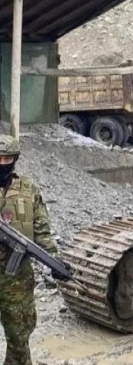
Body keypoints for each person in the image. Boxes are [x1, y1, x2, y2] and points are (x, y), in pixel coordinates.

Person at [0, 134, 66, 365]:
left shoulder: (28, 188)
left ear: (15, 159)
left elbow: (42, 230)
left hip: (16, 276)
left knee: (19, 332)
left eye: (7, 159)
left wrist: (55, 261)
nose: (2, 164)